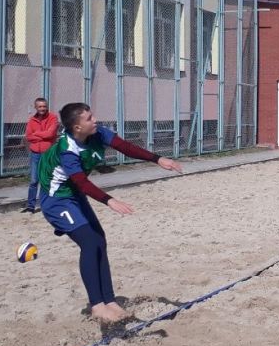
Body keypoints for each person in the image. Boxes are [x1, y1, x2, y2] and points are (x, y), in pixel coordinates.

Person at [38, 102, 183, 324]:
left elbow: (125, 147)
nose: (95, 120)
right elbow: (83, 182)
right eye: (89, 118)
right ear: (77, 127)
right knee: (89, 243)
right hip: (57, 200)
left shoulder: (98, 133)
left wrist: (158, 159)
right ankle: (97, 306)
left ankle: (109, 300)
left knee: (99, 240)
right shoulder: (67, 149)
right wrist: (109, 200)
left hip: (75, 195)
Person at [23, 97, 59, 213]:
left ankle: (47, 205)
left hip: (48, 154)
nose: (42, 108)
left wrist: (37, 133)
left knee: (47, 180)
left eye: (44, 106)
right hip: (35, 153)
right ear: (36, 107)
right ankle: (30, 206)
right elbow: (29, 136)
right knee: (34, 180)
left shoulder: (53, 118)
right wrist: (42, 135)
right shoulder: (32, 120)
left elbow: (50, 134)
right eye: (40, 106)